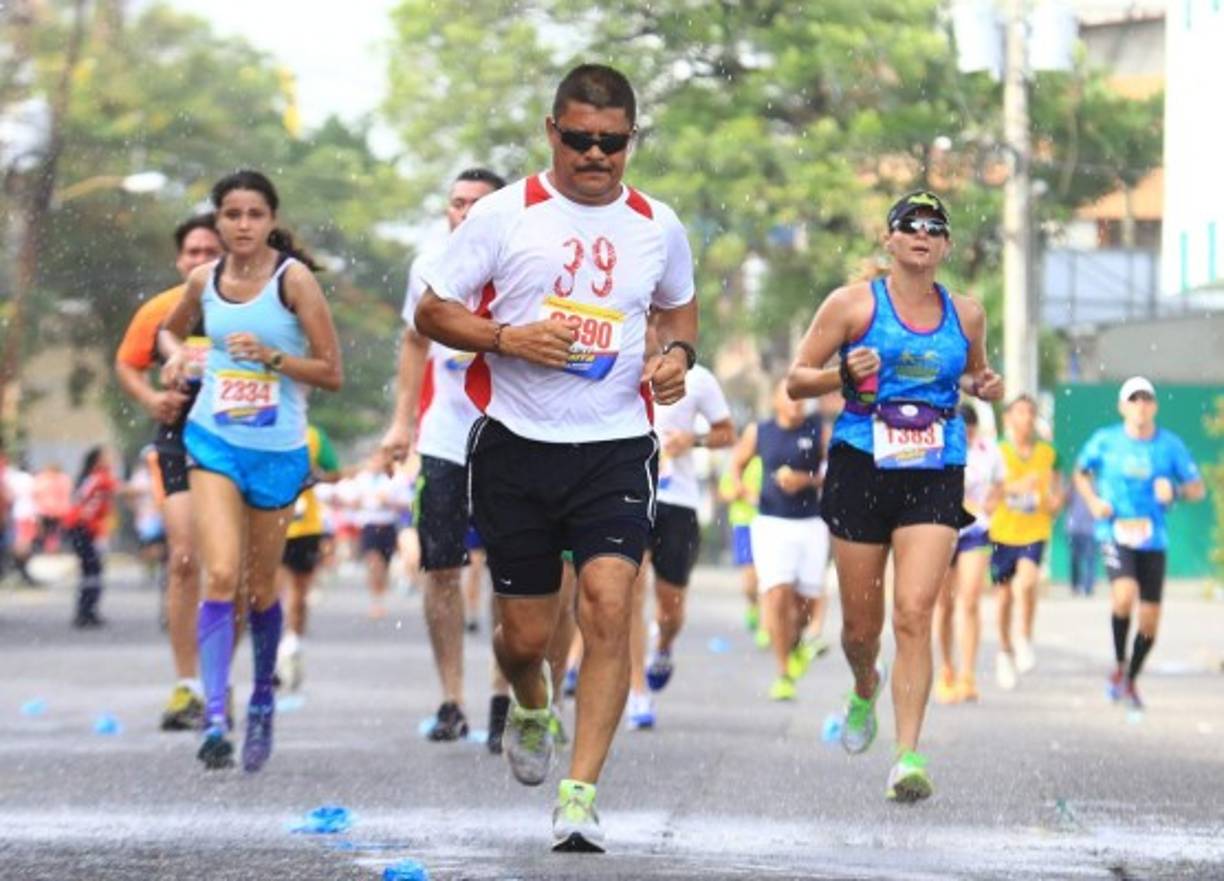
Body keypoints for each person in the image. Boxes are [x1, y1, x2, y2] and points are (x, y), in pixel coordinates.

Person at [414, 64, 697, 851]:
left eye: (611, 142)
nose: (595, 155)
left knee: (609, 600)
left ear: (630, 140)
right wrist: (508, 337)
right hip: (514, 444)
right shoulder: (506, 216)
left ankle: (580, 793)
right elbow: (431, 308)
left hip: (614, 445)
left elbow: (677, 304)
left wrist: (676, 355)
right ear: (552, 132)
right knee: (524, 637)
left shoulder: (656, 224)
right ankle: (532, 703)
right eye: (579, 139)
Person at [786, 190, 1003, 803]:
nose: (922, 234)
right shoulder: (853, 304)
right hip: (861, 463)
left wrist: (985, 385)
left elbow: (974, 374)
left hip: (935, 464)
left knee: (914, 611)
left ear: (947, 246)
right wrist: (842, 376)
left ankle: (907, 755)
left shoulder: (967, 313)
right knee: (862, 628)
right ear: (889, 239)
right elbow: (796, 378)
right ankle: (863, 685)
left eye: (936, 227)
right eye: (910, 224)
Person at [160, 169, 342, 773]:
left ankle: (262, 696)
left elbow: (331, 371)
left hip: (279, 451)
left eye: (254, 215)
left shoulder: (294, 282)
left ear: (270, 220)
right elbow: (169, 329)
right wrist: (177, 356)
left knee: (261, 589)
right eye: (231, 214)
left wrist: (271, 357)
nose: (242, 225)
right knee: (218, 575)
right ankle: (215, 715)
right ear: (217, 220)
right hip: (214, 440)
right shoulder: (202, 280)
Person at [381, 167, 507, 741]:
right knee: (441, 568)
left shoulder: (527, 263)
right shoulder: (428, 269)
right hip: (445, 437)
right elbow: (414, 341)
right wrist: (401, 423)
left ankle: (509, 694)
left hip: (513, 436)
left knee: (518, 572)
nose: (464, 213)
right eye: (456, 203)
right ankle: (452, 698)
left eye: (478, 204)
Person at [115, 212, 224, 729]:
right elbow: (126, 362)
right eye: (193, 253)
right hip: (179, 438)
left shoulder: (249, 304)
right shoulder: (161, 309)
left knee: (231, 570)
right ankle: (187, 686)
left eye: (211, 252)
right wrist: (151, 398)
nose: (200, 260)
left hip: (236, 440)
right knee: (184, 558)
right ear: (180, 259)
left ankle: (220, 678)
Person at [1073, 377, 1205, 710]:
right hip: (1115, 532)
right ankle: (1119, 664)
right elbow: (1080, 472)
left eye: (1146, 399)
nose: (1141, 406)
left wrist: (1174, 491)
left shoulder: (1170, 445)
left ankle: (1130, 677)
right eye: (1134, 400)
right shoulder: (1106, 441)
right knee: (1124, 595)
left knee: (1149, 621)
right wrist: (1093, 502)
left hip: (1153, 538)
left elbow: (1197, 488)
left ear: (1155, 406)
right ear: (1122, 407)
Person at [626, 361, 733, 728]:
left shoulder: (698, 378)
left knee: (670, 610)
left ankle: (664, 644)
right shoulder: (622, 362)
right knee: (632, 591)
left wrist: (693, 440)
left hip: (678, 500)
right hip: (631, 497)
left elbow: (726, 433)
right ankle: (638, 693)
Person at [729, 379, 826, 701]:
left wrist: (807, 480)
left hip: (811, 522)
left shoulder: (818, 430)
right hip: (771, 522)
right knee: (777, 594)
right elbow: (736, 465)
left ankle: (796, 642)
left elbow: (835, 471)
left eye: (802, 395)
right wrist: (743, 491)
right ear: (775, 399)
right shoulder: (760, 431)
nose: (797, 401)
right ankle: (783, 673)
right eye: (789, 394)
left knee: (803, 605)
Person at [989, 394, 1064, 690]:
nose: (1026, 418)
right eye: (1020, 413)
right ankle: (1004, 650)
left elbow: (1058, 487)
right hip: (1003, 531)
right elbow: (989, 494)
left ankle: (1023, 638)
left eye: (1031, 413)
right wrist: (1014, 487)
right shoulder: (997, 452)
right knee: (1005, 596)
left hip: (1035, 530)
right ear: (1008, 419)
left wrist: (1057, 499)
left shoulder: (1049, 453)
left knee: (1028, 583)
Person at [932, 404, 1004, 704]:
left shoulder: (989, 451)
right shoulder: (937, 447)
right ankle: (947, 667)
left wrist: (992, 502)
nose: (966, 435)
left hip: (975, 531)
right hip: (941, 530)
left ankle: (968, 673)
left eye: (970, 431)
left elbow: (1000, 483)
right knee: (943, 606)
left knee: (970, 600)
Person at [276, 423, 341, 691]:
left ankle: (293, 645)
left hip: (306, 526)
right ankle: (276, 655)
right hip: (273, 521)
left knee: (299, 596)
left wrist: (315, 476)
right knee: (275, 593)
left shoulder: (314, 435)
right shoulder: (260, 427)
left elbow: (334, 472)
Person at [65, 447, 118, 628]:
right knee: (92, 569)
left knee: (91, 569)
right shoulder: (99, 477)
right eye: (107, 456)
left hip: (85, 528)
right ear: (97, 460)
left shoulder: (94, 477)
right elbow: (118, 489)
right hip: (82, 528)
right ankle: (85, 611)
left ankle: (88, 610)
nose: (111, 459)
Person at [718, 454, 765, 645]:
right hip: (742, 526)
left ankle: (766, 626)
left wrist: (756, 497)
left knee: (768, 579)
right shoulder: (736, 463)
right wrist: (738, 493)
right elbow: (723, 493)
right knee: (749, 582)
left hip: (766, 524)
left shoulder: (766, 460)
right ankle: (754, 605)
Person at [1065, 483, 1098, 597]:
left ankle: (1088, 587)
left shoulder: (1095, 486)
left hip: (1090, 528)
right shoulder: (1072, 486)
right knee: (1075, 559)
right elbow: (1064, 500)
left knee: (1090, 558)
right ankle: (1075, 586)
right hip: (1074, 528)